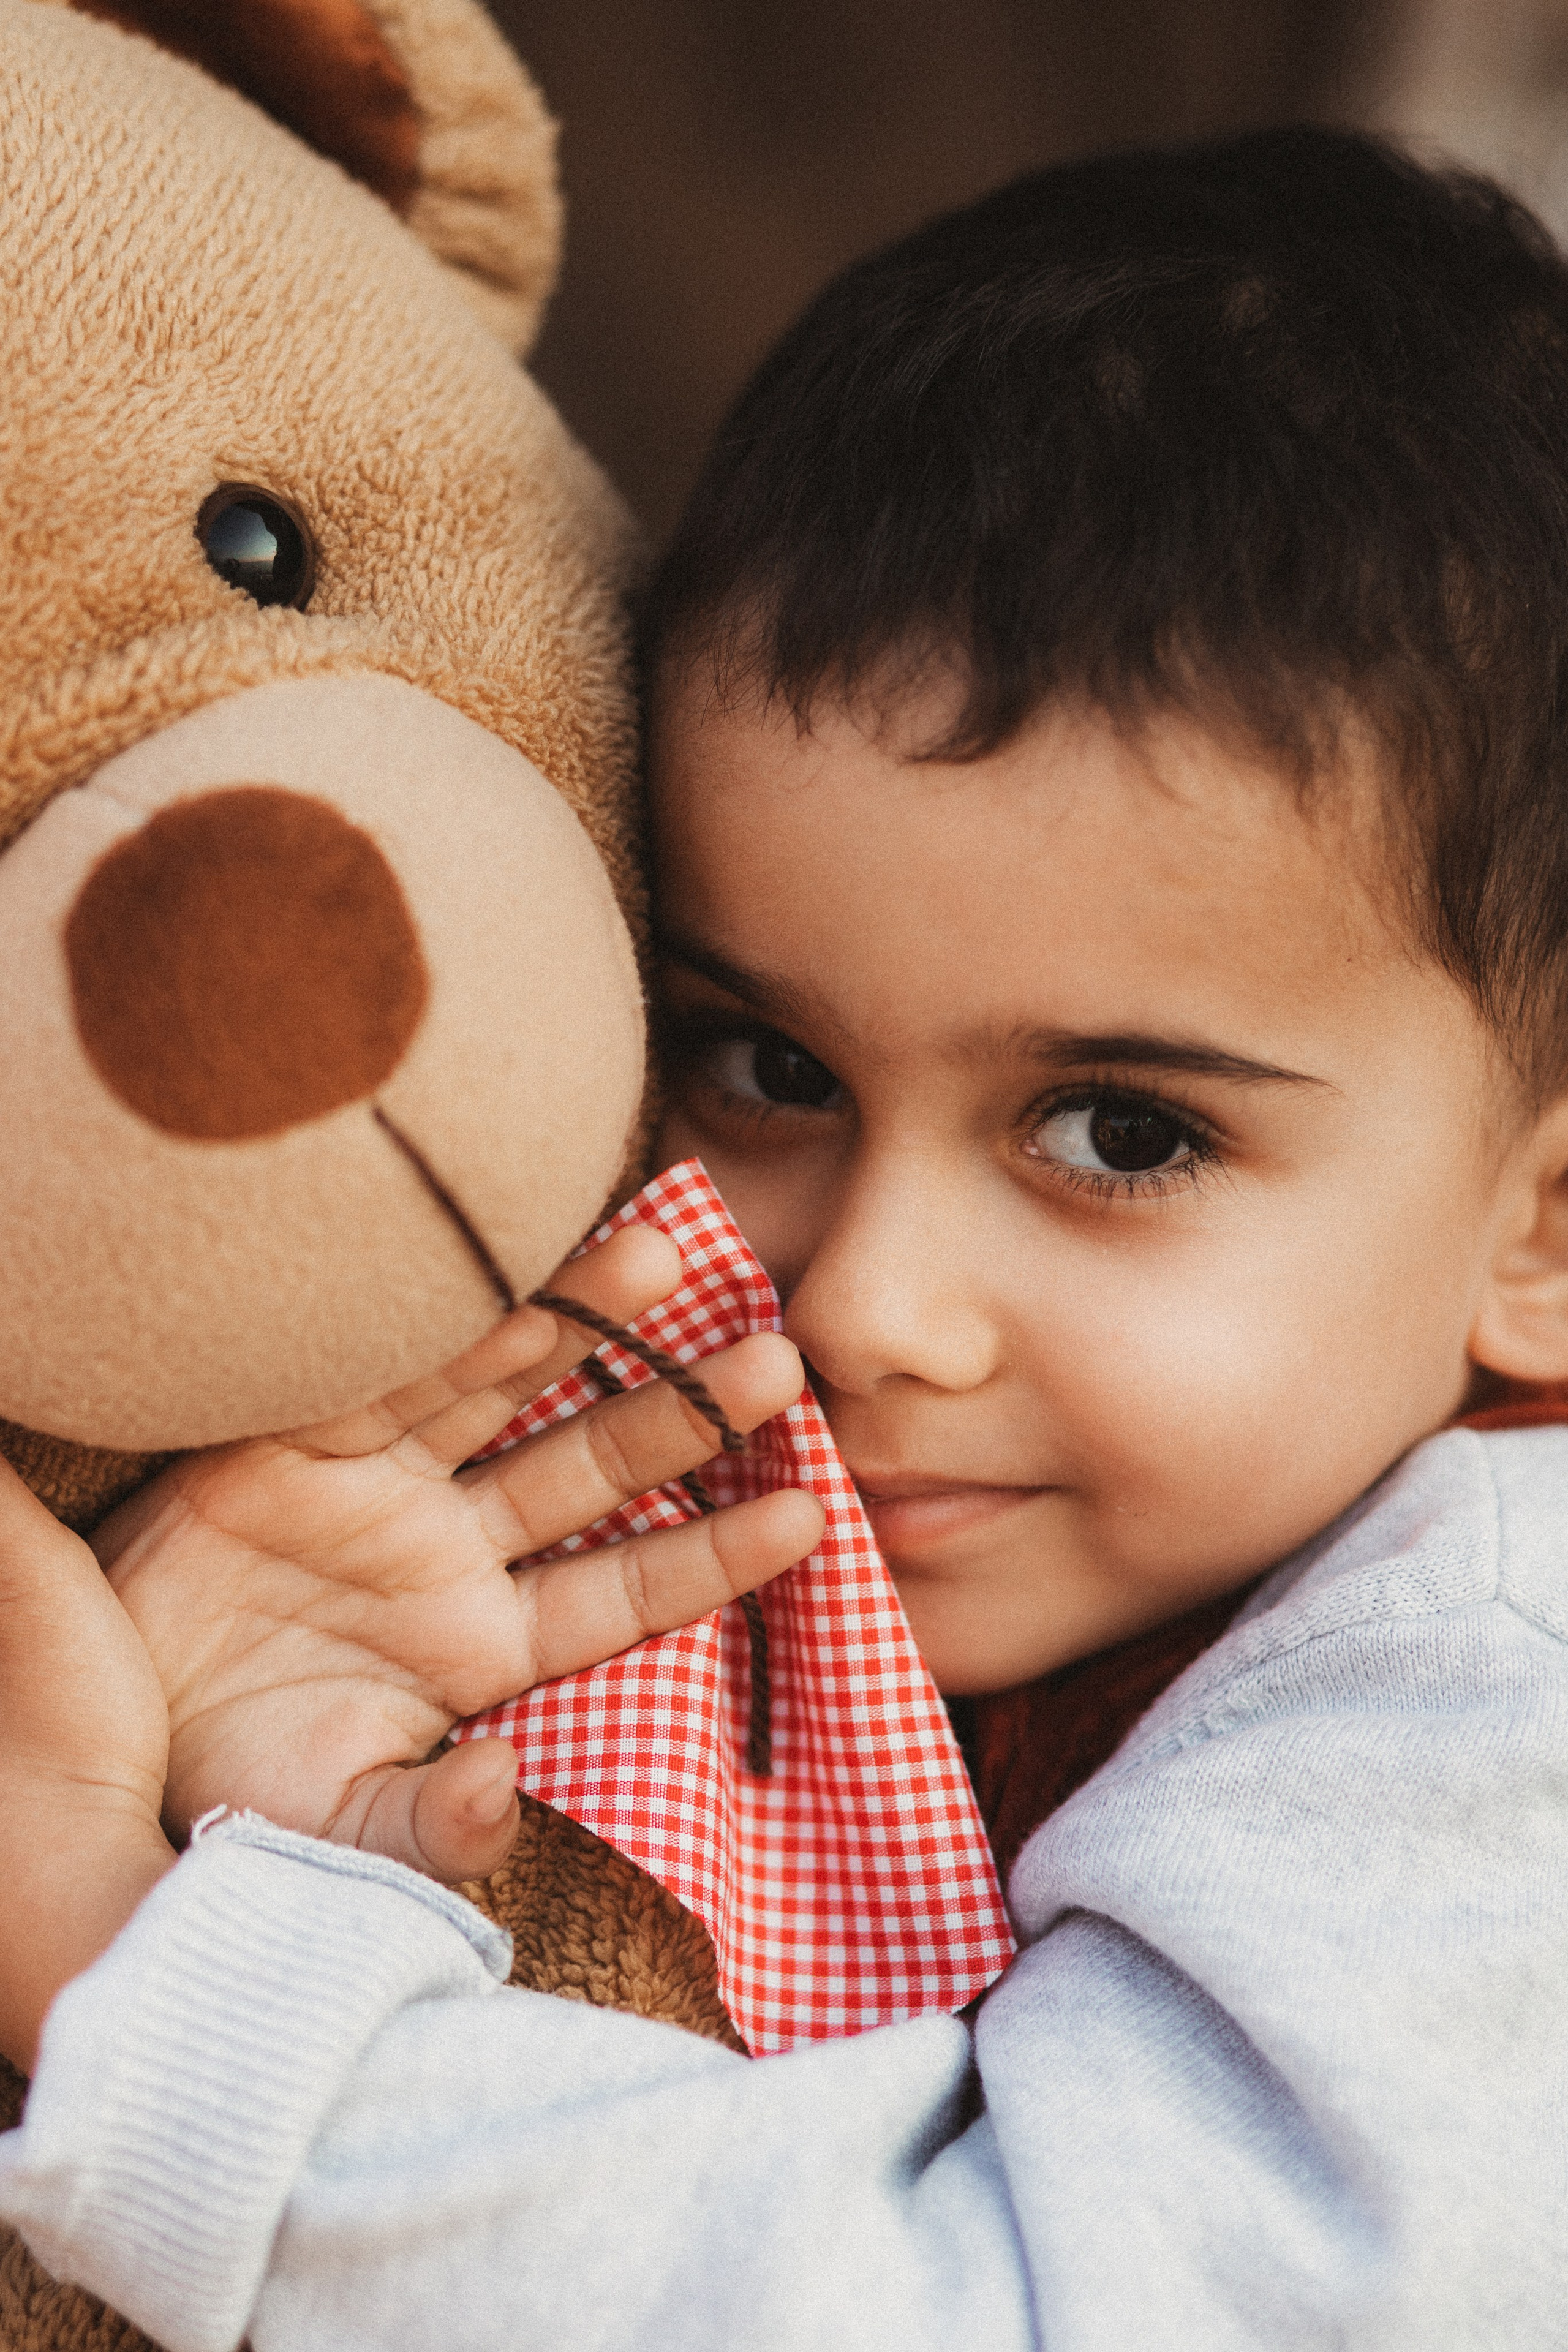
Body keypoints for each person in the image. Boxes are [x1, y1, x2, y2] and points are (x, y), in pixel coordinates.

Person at [5, 123, 1568, 2349]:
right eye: (771, 1066)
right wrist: (304, 1832)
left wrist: (107, 1941)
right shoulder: (762, 1557)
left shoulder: (1498, 1688)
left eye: (1118, 1131)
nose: (860, 1302)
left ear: (1548, 1224)